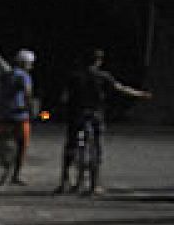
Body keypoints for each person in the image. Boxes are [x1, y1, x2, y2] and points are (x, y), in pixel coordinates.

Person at [54, 48, 152, 195]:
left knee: (71, 147)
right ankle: (94, 185)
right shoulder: (103, 76)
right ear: (98, 61)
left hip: (77, 115)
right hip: (95, 115)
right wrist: (140, 94)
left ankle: (64, 182)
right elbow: (120, 88)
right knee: (96, 148)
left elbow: (64, 97)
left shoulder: (74, 76)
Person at [0, 48, 37, 185]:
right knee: (23, 144)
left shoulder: (3, 73)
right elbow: (27, 95)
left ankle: (0, 163)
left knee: (1, 140)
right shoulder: (24, 76)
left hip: (1, 114)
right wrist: (31, 110)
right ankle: (16, 174)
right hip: (18, 115)